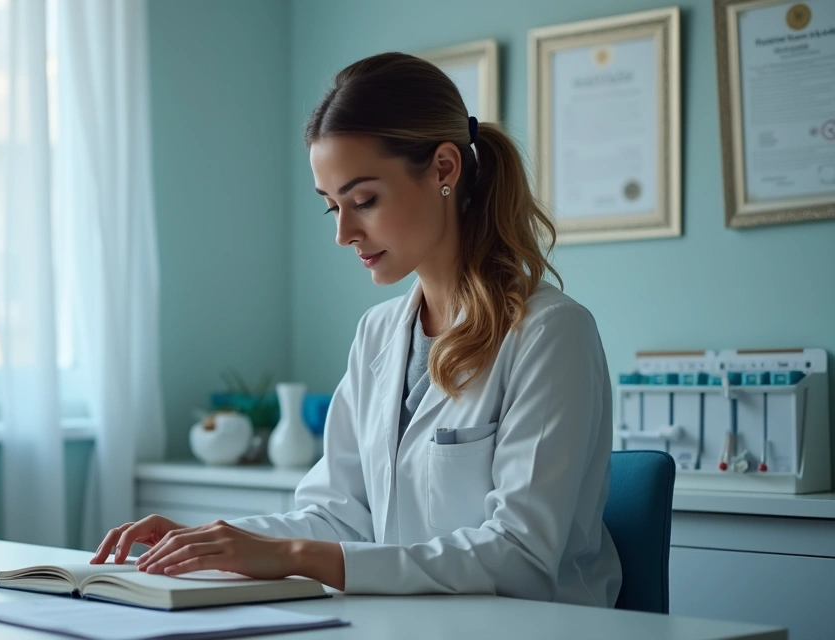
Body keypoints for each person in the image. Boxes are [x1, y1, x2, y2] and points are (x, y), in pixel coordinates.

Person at [90, 51, 622, 607]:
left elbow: (521, 556)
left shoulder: (550, 334)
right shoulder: (379, 333)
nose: (344, 232)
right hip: (408, 622)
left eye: (364, 200)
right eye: (331, 207)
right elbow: (339, 514)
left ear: (444, 168)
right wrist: (215, 542)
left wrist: (295, 557)